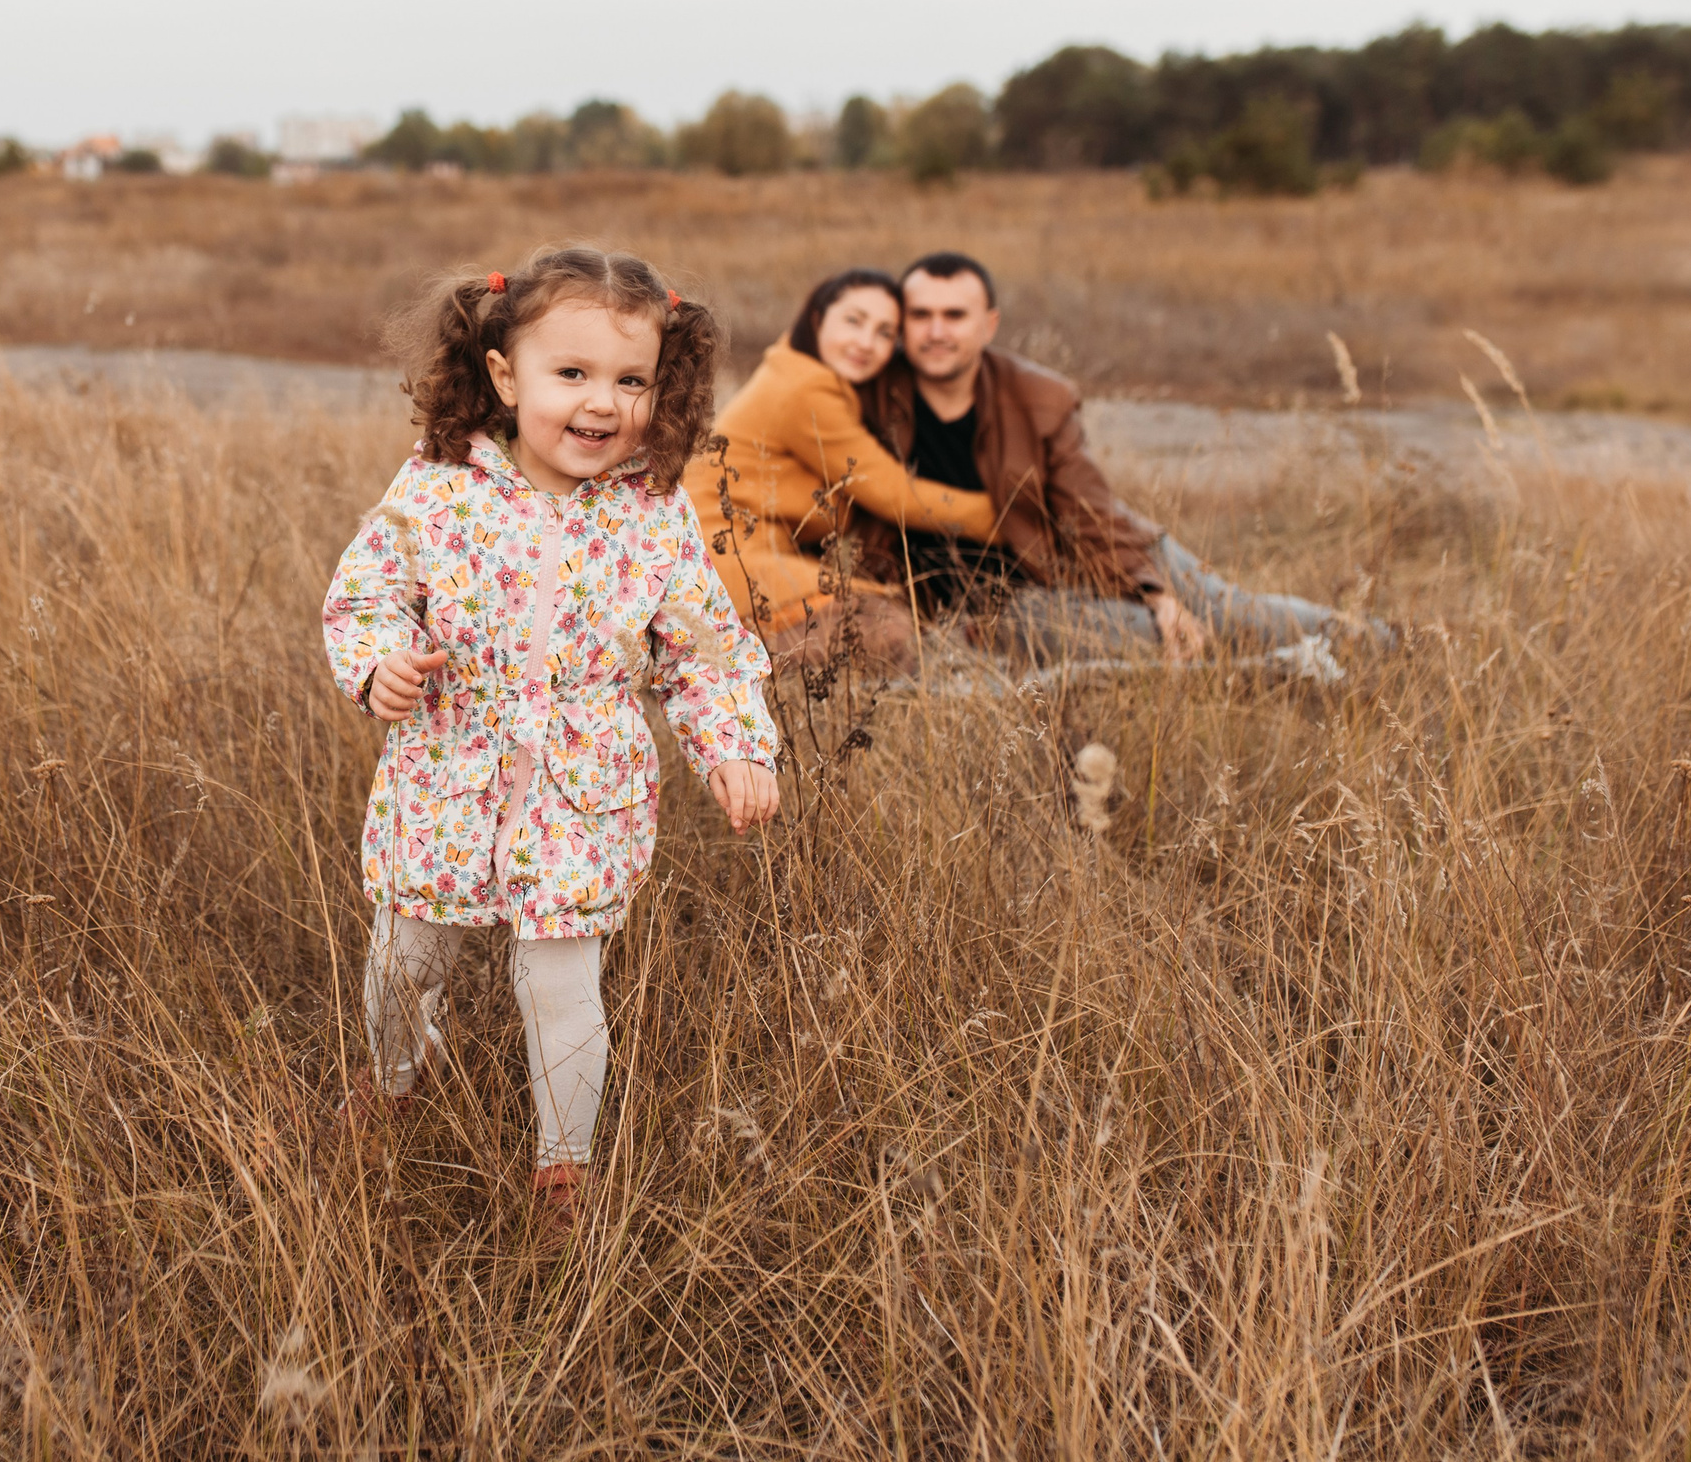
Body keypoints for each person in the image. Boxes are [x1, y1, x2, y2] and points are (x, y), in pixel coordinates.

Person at [321, 245, 780, 1240]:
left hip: (581, 788)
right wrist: (382, 662)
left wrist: (736, 747)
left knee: (559, 982)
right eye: (570, 374)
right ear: (503, 375)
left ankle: (561, 1168)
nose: (601, 404)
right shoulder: (439, 493)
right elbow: (365, 597)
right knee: (405, 957)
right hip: (448, 769)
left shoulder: (653, 517)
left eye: (630, 380)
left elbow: (704, 652)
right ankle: (397, 1078)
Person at [862, 251, 1375, 665]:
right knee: (1153, 638)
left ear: (989, 324)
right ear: (900, 324)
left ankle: (1379, 641)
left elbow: (1088, 508)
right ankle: (1289, 667)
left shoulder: (1038, 395)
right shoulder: (871, 396)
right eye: (921, 315)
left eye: (954, 315)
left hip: (1114, 544)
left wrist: (1154, 590)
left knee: (1231, 614)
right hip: (1016, 598)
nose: (935, 332)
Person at [683, 268, 998, 674]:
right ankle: (717, 671)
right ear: (817, 319)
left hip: (728, 562)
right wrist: (1006, 517)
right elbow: (895, 495)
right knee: (889, 627)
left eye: (886, 333)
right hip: (726, 562)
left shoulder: (801, 372)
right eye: (854, 321)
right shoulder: (805, 389)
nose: (867, 343)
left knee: (886, 623)